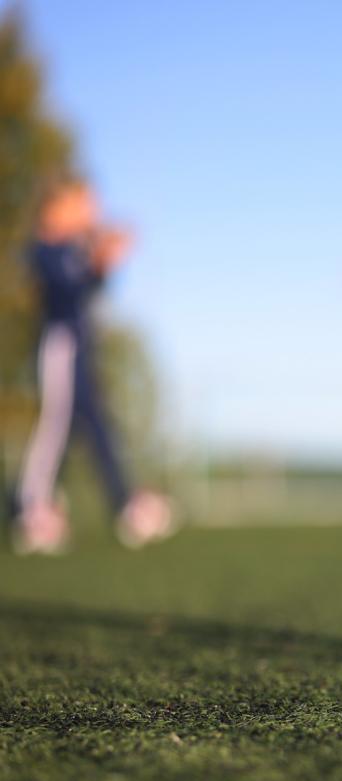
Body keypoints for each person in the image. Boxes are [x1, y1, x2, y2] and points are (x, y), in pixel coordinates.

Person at [10, 177, 176, 554]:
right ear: (56, 209)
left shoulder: (73, 250)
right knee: (56, 426)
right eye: (83, 206)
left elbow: (89, 289)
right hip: (61, 346)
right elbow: (66, 291)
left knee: (98, 427)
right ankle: (31, 510)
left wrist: (103, 265)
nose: (91, 214)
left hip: (80, 348)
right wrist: (94, 259)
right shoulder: (46, 249)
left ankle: (125, 504)